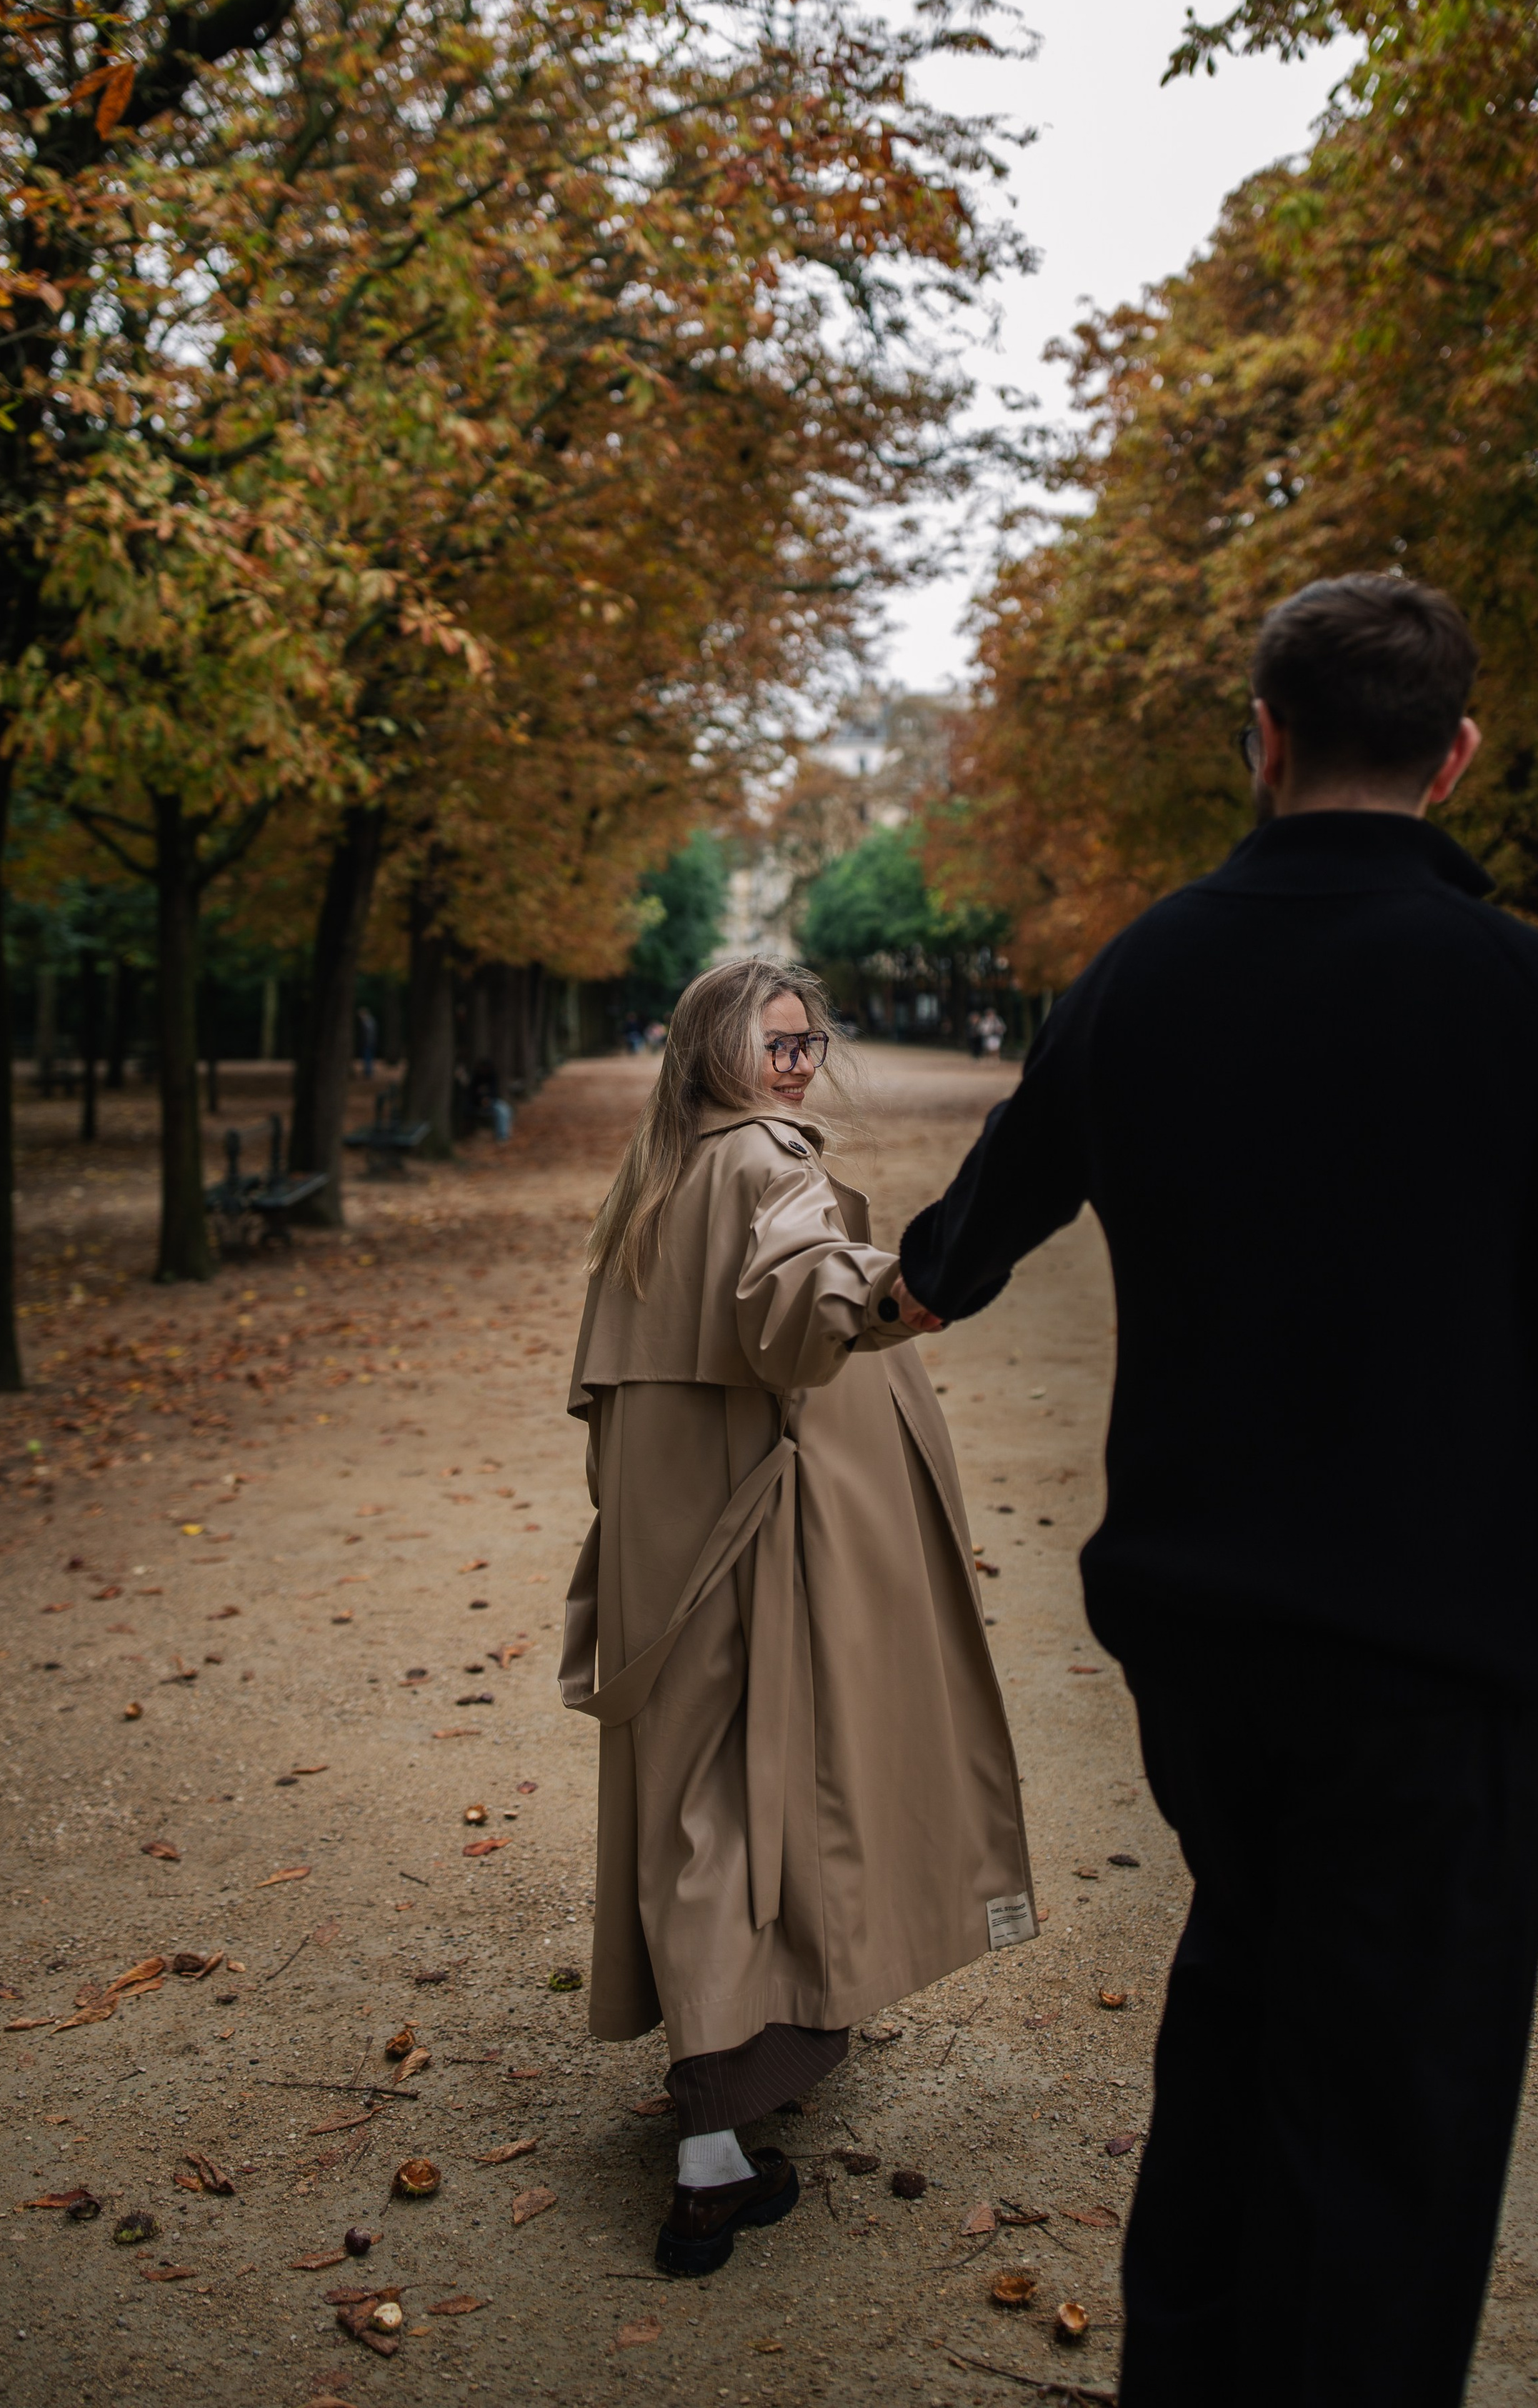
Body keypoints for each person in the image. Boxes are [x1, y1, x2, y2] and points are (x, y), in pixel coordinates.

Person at [889, 575, 1538, 2408]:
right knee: (1393, 2126)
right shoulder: (1526, 998)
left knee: (1243, 2023)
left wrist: (894, 1287)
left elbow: (973, 1227)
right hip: (1429, 1674)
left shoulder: (1148, 967)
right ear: (1457, 756)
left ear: (1259, 740)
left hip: (1202, 1664)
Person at [562, 956, 1035, 2277]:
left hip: (680, 1538)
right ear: (716, 1051)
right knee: (752, 1802)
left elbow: (614, 1394)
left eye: (806, 1043)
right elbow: (794, 1297)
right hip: (752, 1536)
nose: (797, 1062)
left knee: (701, 1794)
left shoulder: (657, 1178)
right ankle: (716, 2146)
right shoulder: (770, 1159)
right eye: (773, 1042)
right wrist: (902, 1289)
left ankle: (739, 2072)